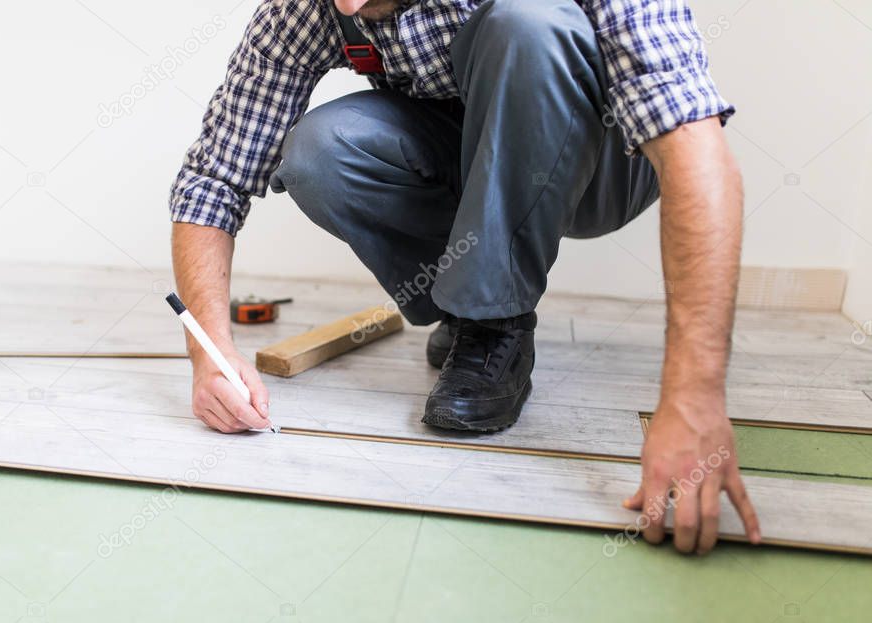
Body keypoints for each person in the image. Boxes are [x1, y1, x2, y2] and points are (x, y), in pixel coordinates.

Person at [169, 0, 762, 555]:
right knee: (322, 151)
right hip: (476, 154)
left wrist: (694, 400)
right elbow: (213, 178)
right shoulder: (307, 11)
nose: (346, 7)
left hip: (606, 162)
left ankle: (488, 314)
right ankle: (481, 320)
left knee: (528, 26)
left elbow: (695, 149)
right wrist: (209, 353)